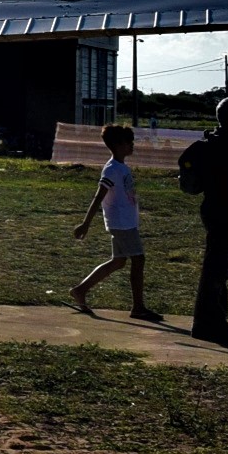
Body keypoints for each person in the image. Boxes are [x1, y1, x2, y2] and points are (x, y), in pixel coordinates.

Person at [176, 94, 228, 343]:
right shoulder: (222, 147)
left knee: (220, 271)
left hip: (223, 215)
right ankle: (207, 324)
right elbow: (227, 189)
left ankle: (216, 320)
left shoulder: (224, 144)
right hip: (222, 216)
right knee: (215, 271)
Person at [68, 123, 153, 319]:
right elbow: (98, 197)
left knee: (119, 261)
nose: (132, 146)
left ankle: (80, 290)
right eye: (128, 142)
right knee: (138, 259)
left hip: (125, 222)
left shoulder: (122, 167)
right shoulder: (112, 169)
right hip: (121, 224)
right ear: (117, 145)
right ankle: (138, 307)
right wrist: (85, 224)